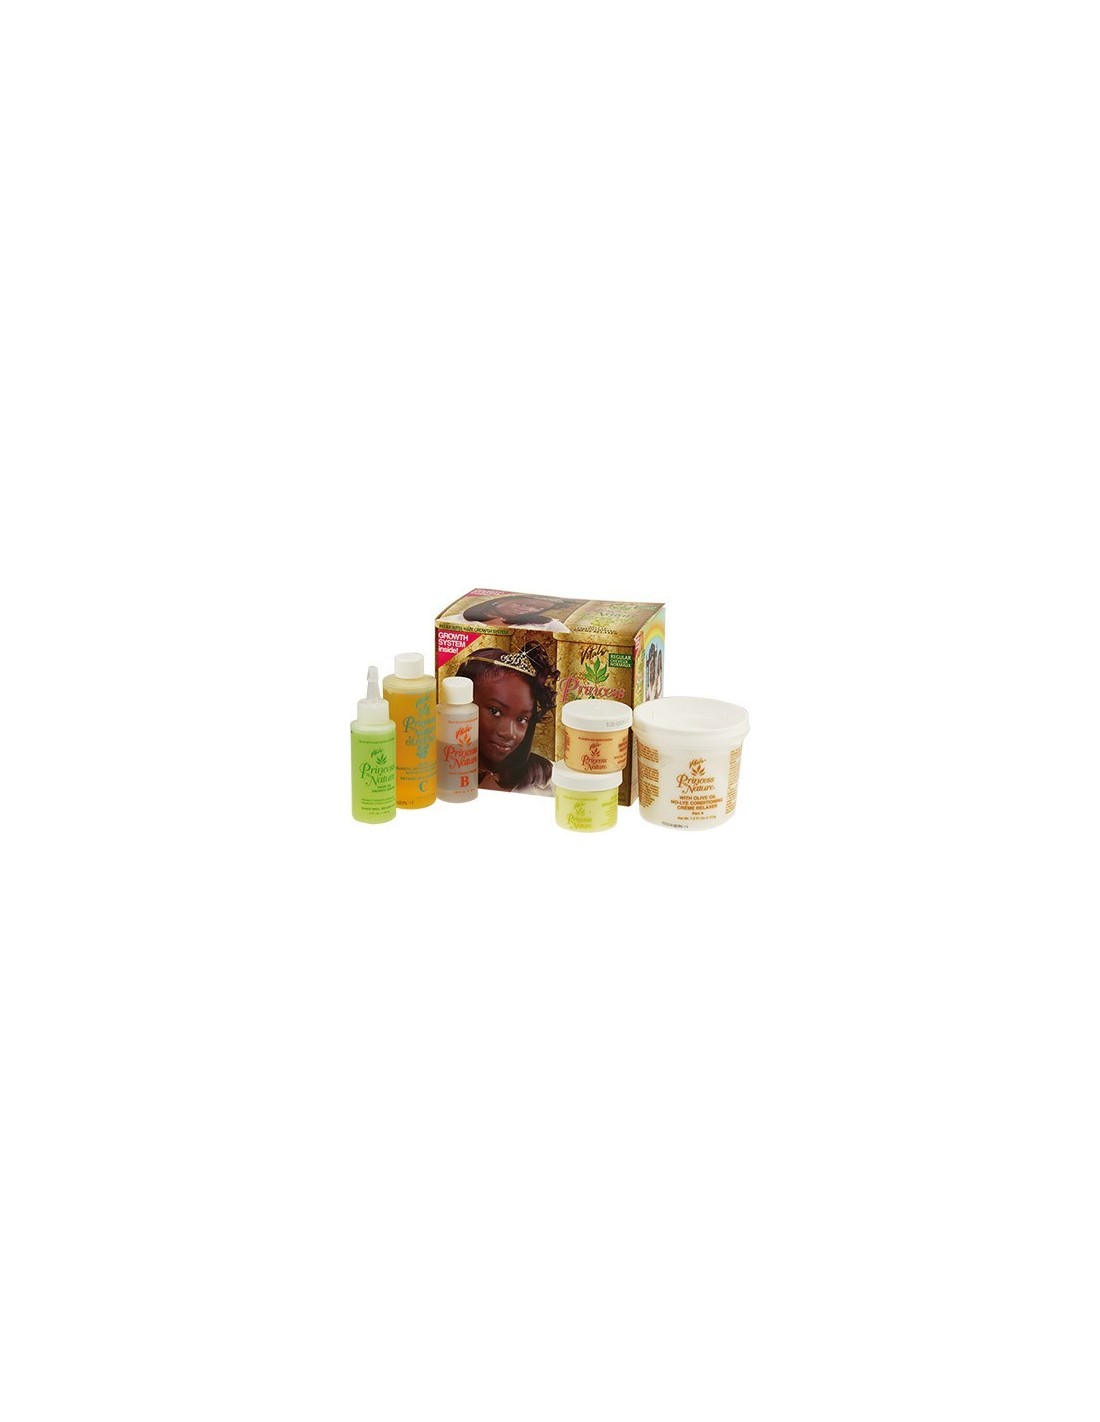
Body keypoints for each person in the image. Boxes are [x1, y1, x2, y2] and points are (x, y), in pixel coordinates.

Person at [459, 642, 559, 792]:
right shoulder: (434, 769)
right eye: (495, 711)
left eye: (522, 719)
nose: (509, 733)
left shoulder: (551, 782)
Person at [450, 594, 580, 632]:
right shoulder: (454, 622)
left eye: (538, 608)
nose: (529, 610)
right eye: (523, 604)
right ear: (501, 600)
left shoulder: (548, 625)